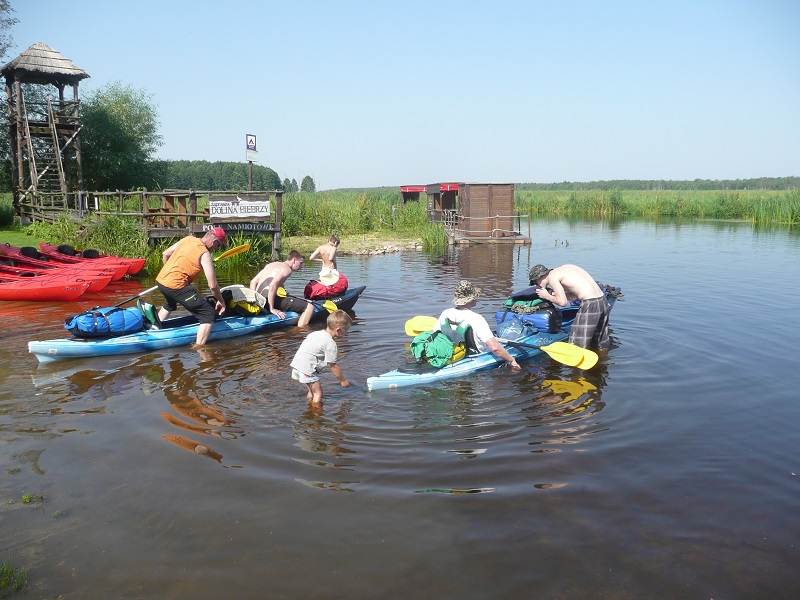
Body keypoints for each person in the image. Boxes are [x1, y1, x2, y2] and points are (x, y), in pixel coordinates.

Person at [156, 227, 227, 346]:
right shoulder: (205, 254)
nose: (217, 248)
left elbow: (166, 254)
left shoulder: (188, 239)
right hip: (175, 287)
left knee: (170, 303)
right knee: (208, 314)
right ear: (214, 242)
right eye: (218, 246)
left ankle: (155, 329)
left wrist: (170, 274)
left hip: (161, 281)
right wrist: (221, 302)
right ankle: (199, 347)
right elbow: (213, 286)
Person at [434, 280, 521, 370]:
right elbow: (495, 348)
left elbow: (436, 335)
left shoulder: (445, 313)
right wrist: (511, 360)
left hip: (452, 354)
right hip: (475, 356)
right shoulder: (476, 318)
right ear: (471, 299)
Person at [528, 263, 610, 349]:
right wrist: (557, 294)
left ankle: (576, 360)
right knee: (600, 341)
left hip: (590, 303)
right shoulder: (565, 268)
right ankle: (604, 359)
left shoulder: (552, 277)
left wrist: (547, 296)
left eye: (535, 282)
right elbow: (574, 296)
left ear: (540, 277)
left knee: (577, 343)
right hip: (602, 299)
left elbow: (563, 303)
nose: (537, 285)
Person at [290, 310, 352, 407]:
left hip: (297, 366)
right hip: (307, 370)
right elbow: (333, 366)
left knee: (312, 391)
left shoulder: (315, 333)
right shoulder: (330, 344)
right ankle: (315, 415)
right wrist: (343, 380)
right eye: (346, 331)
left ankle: (309, 406)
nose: (346, 333)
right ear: (338, 330)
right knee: (319, 393)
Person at [249, 250, 315, 327]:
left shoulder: (270, 265)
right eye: (300, 263)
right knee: (309, 307)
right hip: (267, 302)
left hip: (259, 300)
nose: (301, 266)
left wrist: (253, 302)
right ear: (294, 260)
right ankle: (299, 330)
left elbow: (253, 282)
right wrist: (272, 308)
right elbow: (272, 285)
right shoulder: (287, 270)